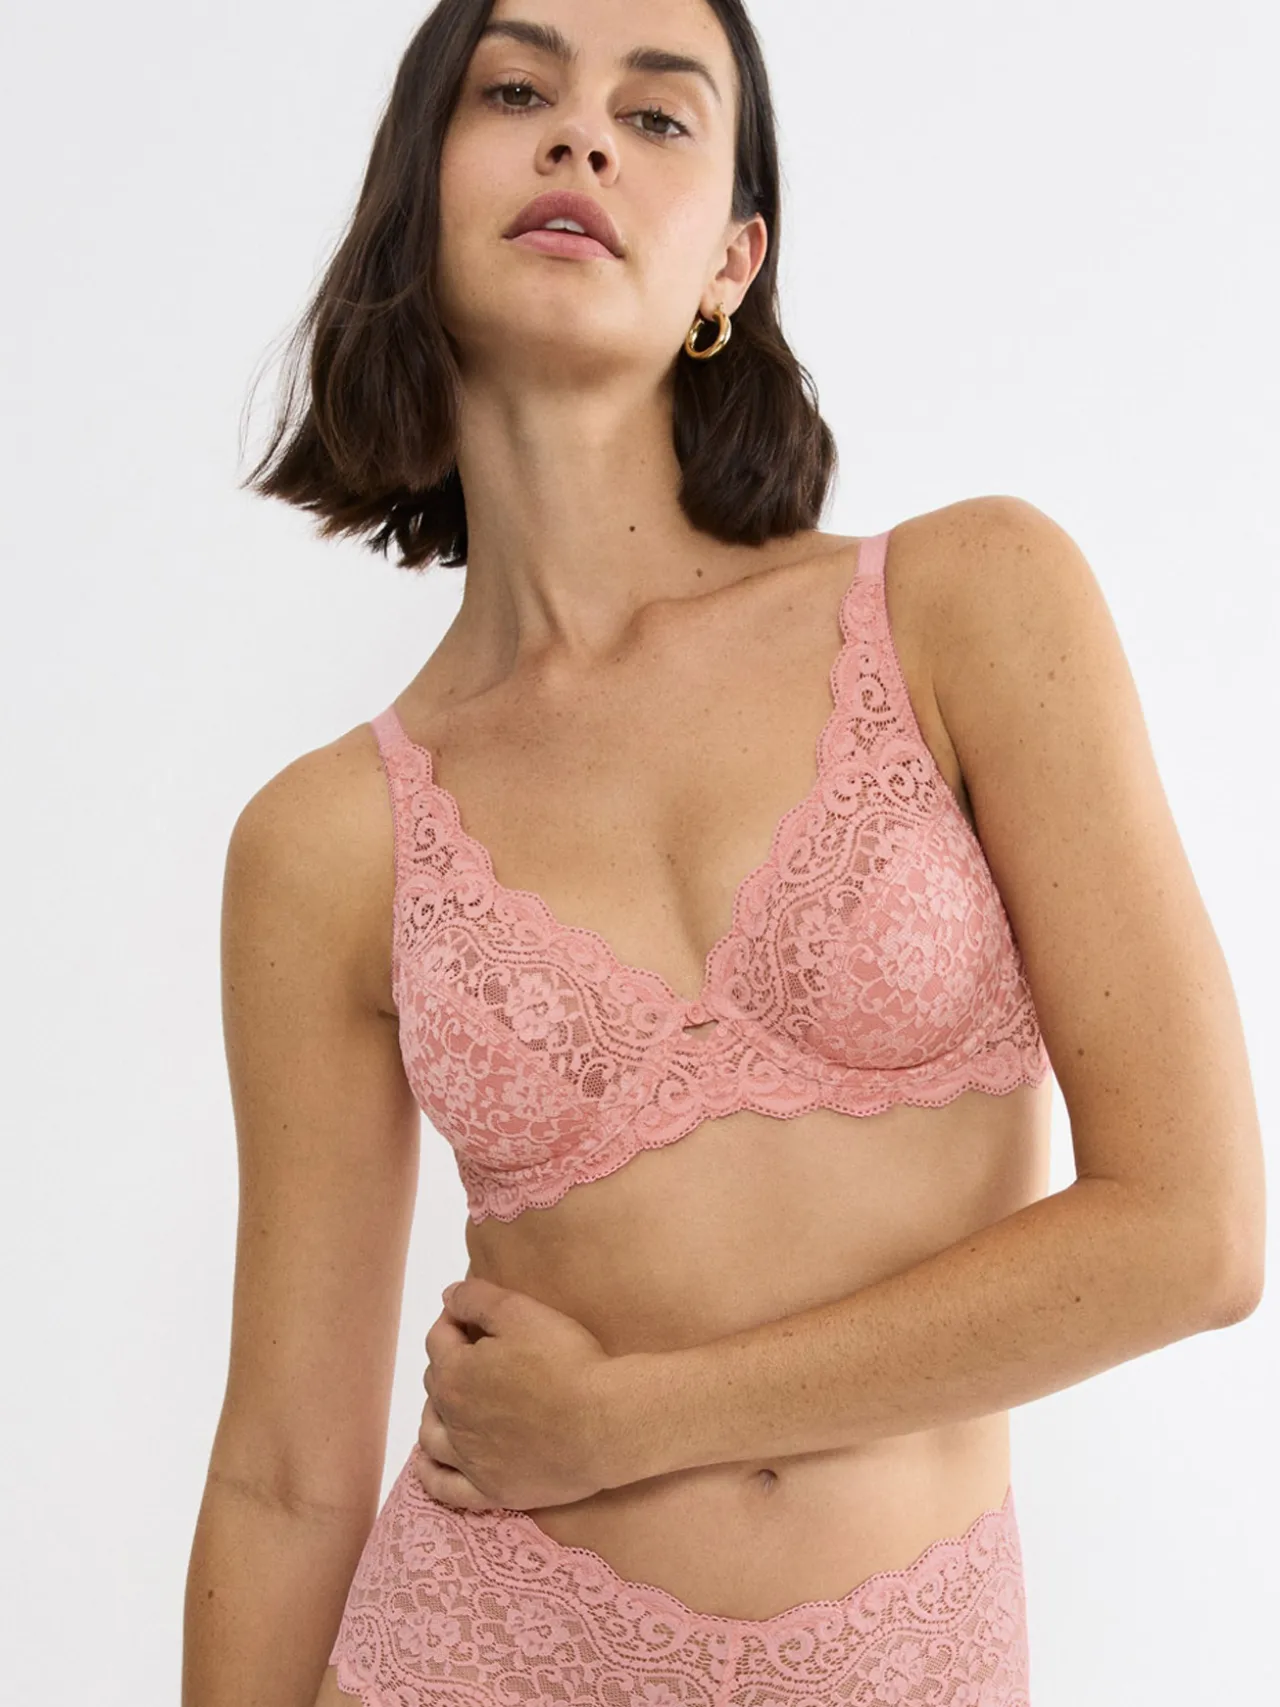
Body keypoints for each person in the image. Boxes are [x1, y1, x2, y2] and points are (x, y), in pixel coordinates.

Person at [182, 2, 1266, 1703]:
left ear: (731, 266)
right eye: (518, 89)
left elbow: (1193, 1234)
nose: (582, 134)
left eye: (659, 115)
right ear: (416, 200)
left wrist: (626, 1419)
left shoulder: (969, 606)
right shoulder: (326, 838)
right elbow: (285, 1474)